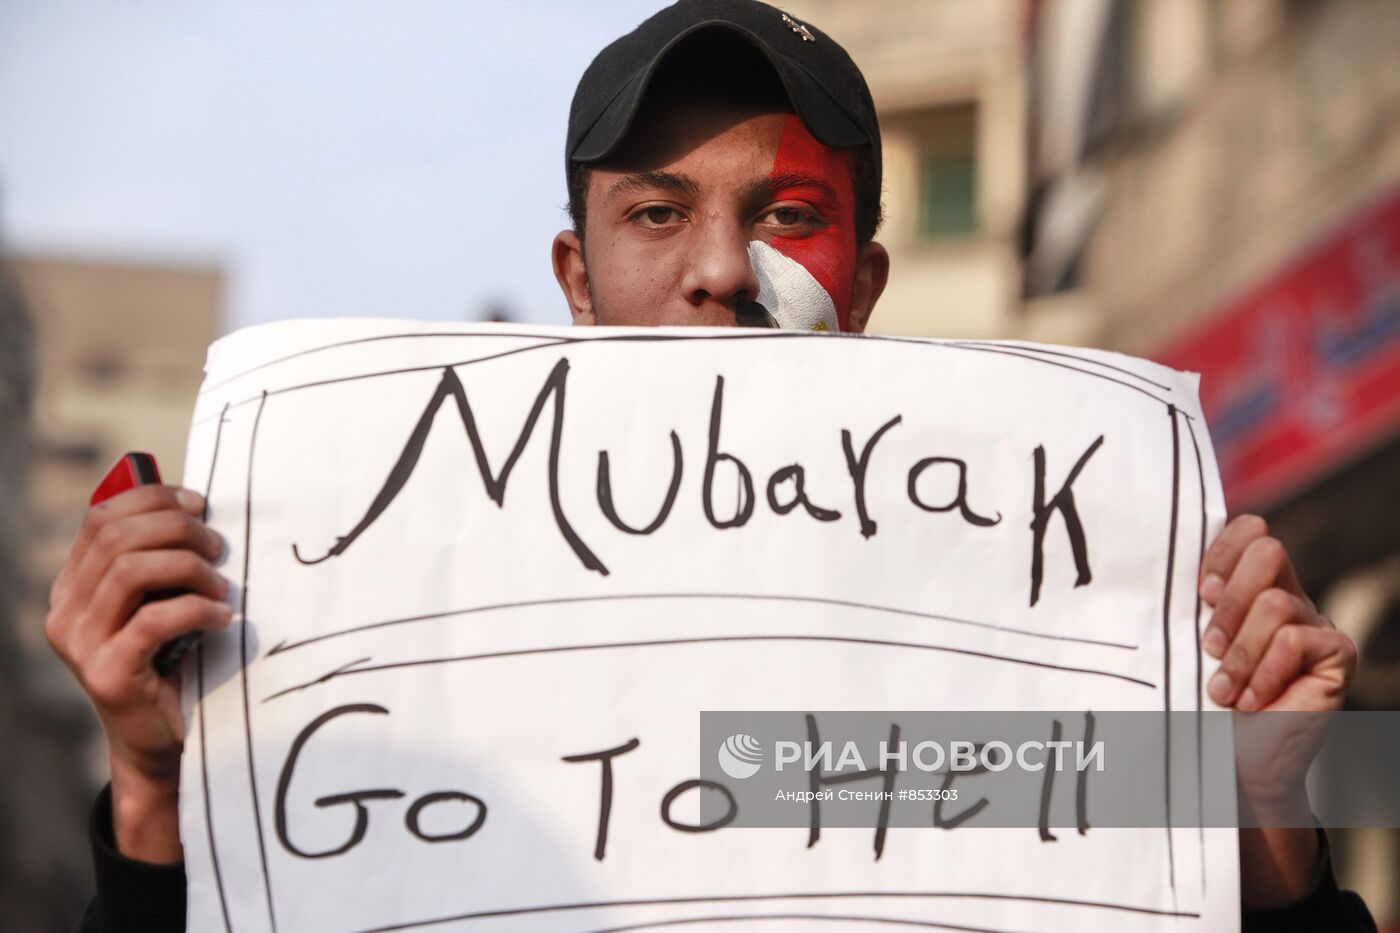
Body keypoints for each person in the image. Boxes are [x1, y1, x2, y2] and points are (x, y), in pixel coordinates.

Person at [49, 2, 1375, 930]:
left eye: (788, 214)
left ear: (863, 280)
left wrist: (1262, 822)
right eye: (657, 212)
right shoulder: (396, 633)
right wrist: (160, 787)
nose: (724, 268)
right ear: (578, 276)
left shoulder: (1021, 626)